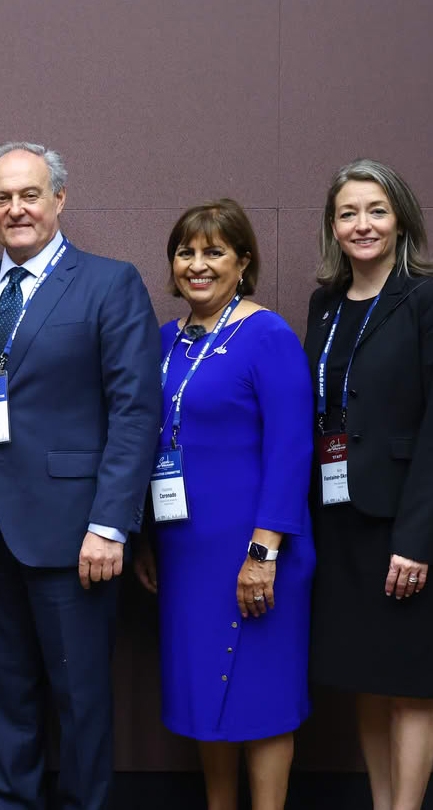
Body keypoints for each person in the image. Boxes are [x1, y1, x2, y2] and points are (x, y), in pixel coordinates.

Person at [0, 142, 160, 810]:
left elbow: (135, 409)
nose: (16, 208)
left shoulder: (109, 282)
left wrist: (110, 523)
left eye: (30, 194)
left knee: (81, 701)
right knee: (4, 699)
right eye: (2, 197)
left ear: (59, 199)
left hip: (76, 535)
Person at [303, 159, 433, 810]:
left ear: (400, 218)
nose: (362, 223)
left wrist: (418, 538)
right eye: (348, 212)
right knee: (364, 679)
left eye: (375, 209)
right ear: (333, 226)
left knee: (410, 682)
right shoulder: (324, 306)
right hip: (340, 515)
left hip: (406, 522)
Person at [132, 200, 314, 810]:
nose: (197, 265)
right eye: (186, 252)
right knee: (202, 694)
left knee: (260, 696)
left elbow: (293, 451)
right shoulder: (162, 341)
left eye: (214, 252)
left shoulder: (269, 335)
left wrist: (264, 552)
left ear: (244, 261)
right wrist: (148, 541)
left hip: (256, 547)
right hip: (185, 550)